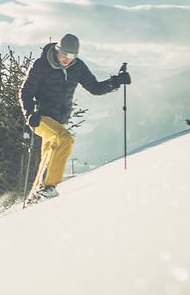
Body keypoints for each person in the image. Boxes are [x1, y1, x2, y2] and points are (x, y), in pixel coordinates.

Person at [20, 34, 131, 200]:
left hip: (60, 120)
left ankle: (35, 196)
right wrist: (29, 113)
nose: (67, 59)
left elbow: (94, 88)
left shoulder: (78, 67)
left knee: (49, 155)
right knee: (65, 139)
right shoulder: (41, 65)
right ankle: (48, 187)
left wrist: (115, 82)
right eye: (64, 55)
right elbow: (25, 92)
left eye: (72, 56)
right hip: (40, 118)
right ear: (57, 50)